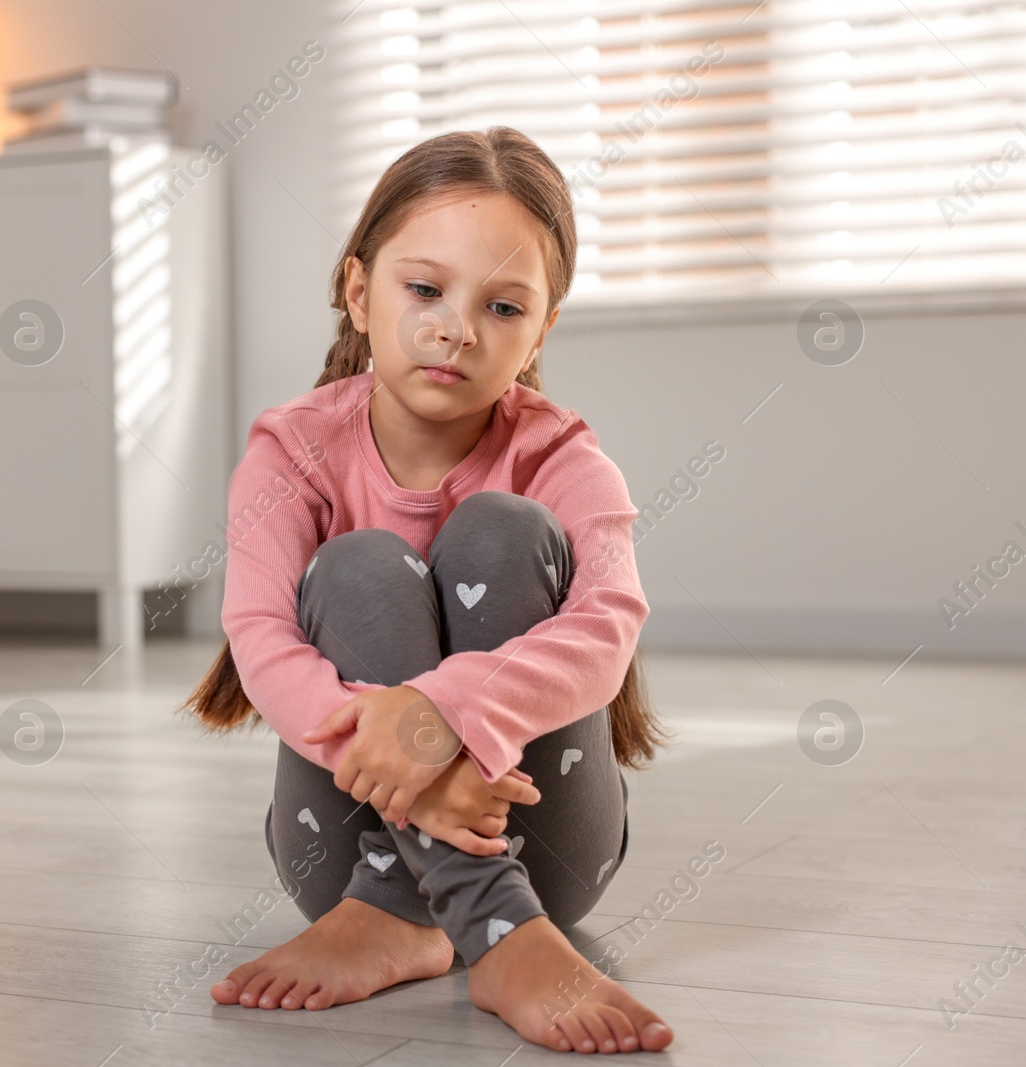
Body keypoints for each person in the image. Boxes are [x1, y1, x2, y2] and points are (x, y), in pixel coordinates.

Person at [180, 127, 676, 1055]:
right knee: (358, 563)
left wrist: (438, 718)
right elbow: (259, 639)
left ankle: (484, 918)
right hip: (344, 856)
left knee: (506, 528)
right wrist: (424, 778)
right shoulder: (293, 450)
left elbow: (611, 622)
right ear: (358, 291)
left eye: (502, 305)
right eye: (424, 289)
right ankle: (436, 920)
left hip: (536, 847)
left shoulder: (561, 453)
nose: (456, 327)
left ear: (543, 328)